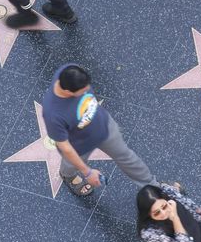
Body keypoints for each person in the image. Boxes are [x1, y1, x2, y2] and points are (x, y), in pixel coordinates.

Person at [42, 64, 159, 196]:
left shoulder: (70, 70)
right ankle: (67, 175)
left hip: (104, 127)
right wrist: (88, 172)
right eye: (82, 91)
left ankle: (153, 186)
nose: (87, 91)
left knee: (127, 157)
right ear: (68, 93)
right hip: (79, 146)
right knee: (70, 166)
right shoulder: (52, 114)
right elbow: (65, 147)